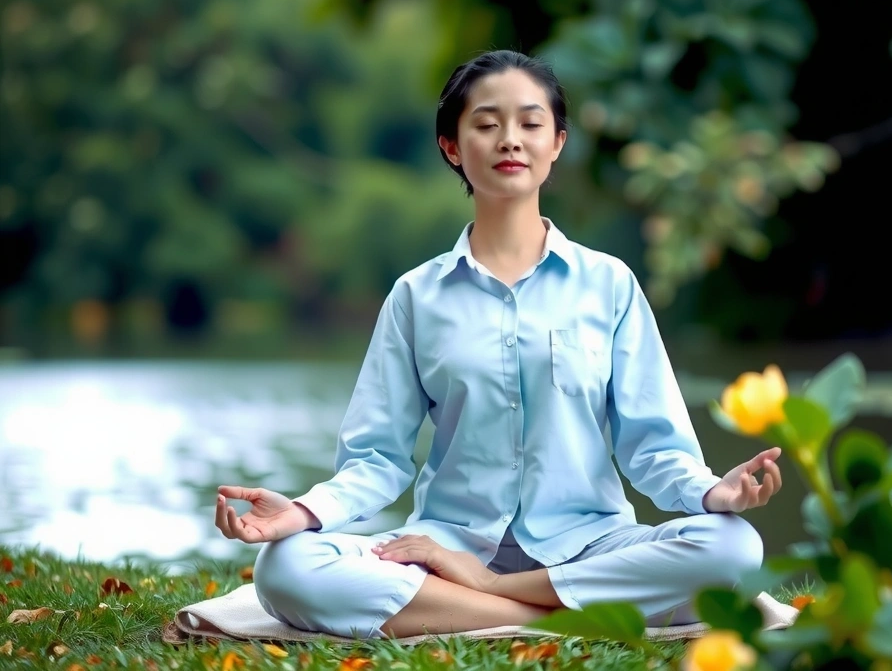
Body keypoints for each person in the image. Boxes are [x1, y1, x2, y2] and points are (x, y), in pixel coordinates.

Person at [214, 50, 783, 640]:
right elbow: (377, 459)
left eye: (531, 124)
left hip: (589, 546)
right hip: (444, 547)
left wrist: (712, 491)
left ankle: (486, 601)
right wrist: (304, 513)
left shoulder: (610, 285)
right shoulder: (416, 296)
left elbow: (652, 446)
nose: (510, 140)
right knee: (286, 566)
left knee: (732, 547)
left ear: (557, 142)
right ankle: (554, 619)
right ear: (452, 147)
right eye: (487, 124)